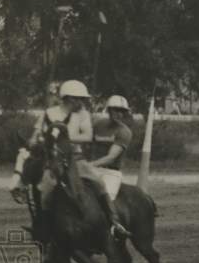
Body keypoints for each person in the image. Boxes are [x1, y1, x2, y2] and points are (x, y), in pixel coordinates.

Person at [10, 79, 130, 238]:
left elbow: (87, 136)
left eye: (82, 99)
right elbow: (36, 135)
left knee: (98, 183)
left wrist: (63, 137)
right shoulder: (48, 113)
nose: (82, 102)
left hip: (75, 158)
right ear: (69, 98)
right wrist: (34, 140)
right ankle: (43, 227)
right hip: (51, 159)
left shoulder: (83, 115)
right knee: (43, 189)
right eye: (79, 98)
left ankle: (115, 223)